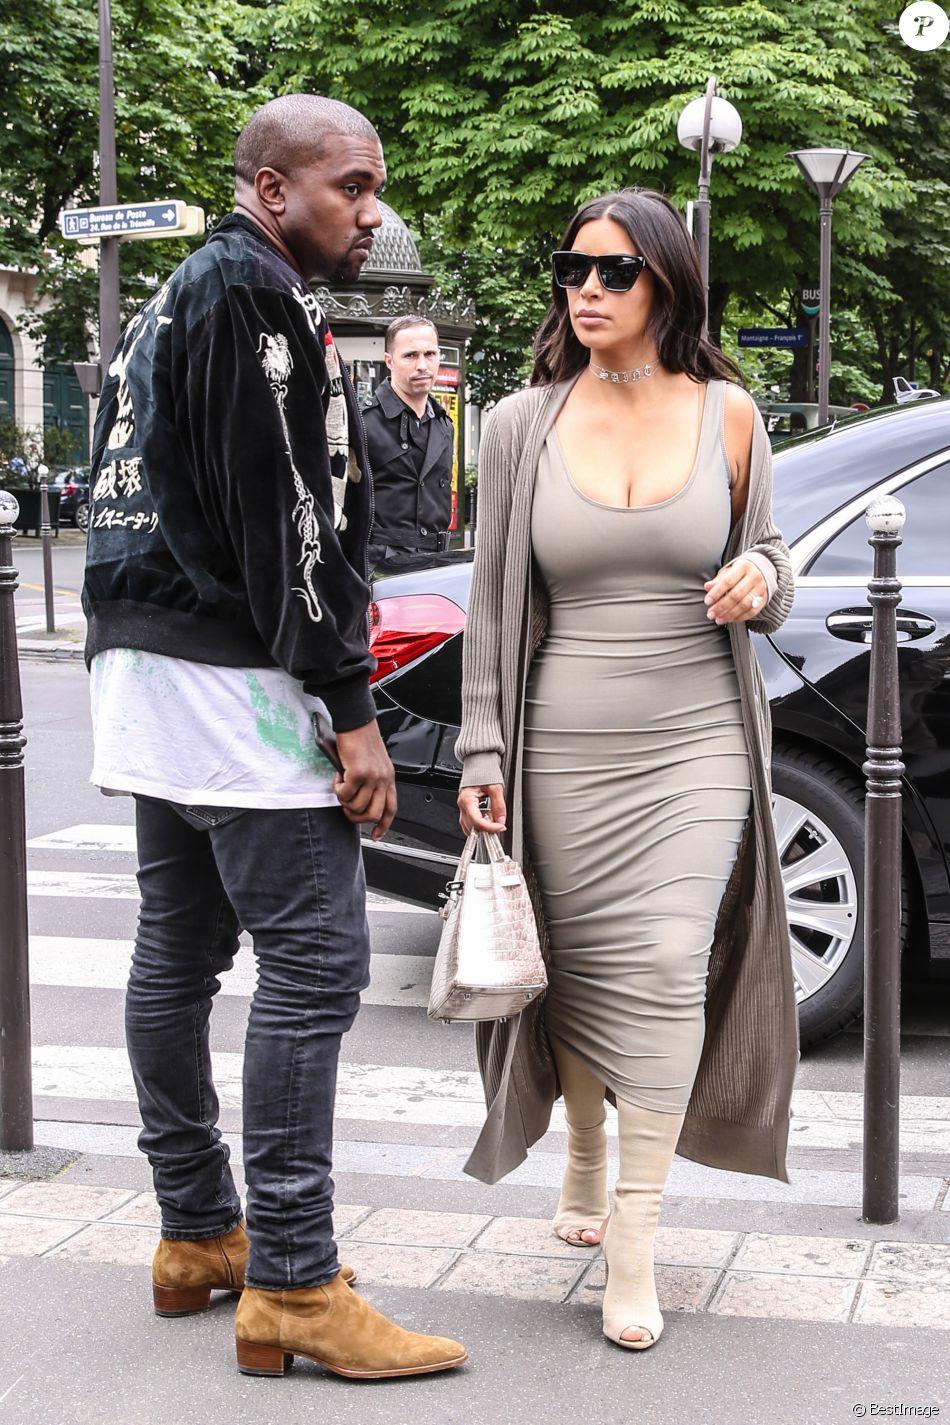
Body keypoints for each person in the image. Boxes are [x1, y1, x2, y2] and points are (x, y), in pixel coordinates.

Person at [81, 93, 466, 1382]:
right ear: (269, 186)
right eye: (350, 188)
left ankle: (199, 1233)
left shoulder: (176, 294)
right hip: (234, 682)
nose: (371, 212)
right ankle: (294, 1278)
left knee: (178, 953)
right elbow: (284, 518)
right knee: (313, 967)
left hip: (147, 667)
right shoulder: (251, 296)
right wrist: (351, 713)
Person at [455, 188, 798, 1351]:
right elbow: (491, 603)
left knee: (660, 963)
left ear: (666, 283)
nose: (584, 291)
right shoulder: (519, 423)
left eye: (611, 273)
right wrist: (480, 748)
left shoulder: (731, 413)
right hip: (559, 739)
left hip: (696, 736)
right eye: (571, 271)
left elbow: (770, 557)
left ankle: (636, 1235)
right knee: (577, 967)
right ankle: (585, 1153)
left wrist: (762, 578)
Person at [362, 315, 455, 571]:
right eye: (411, 356)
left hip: (435, 567)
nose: (422, 365)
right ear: (389, 361)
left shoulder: (444, 425)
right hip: (379, 570)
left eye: (430, 354)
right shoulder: (363, 423)